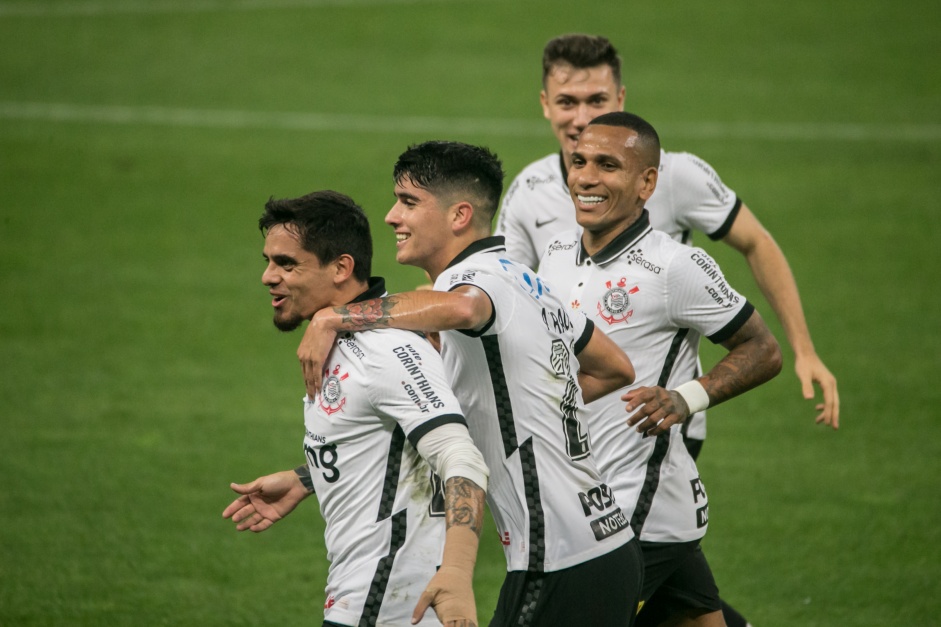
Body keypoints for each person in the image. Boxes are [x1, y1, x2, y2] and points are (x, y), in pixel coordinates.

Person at [296, 141, 645, 626]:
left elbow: (464, 308)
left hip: (557, 556)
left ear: (459, 215)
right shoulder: (528, 281)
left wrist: (337, 315)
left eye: (409, 202)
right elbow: (614, 368)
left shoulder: (476, 280)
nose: (392, 216)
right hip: (603, 542)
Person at [494, 33, 839, 461]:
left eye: (597, 101)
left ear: (621, 97)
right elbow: (506, 294)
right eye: (567, 102)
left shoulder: (676, 177)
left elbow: (756, 243)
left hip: (656, 422)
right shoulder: (529, 189)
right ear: (545, 104)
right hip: (569, 421)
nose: (582, 118)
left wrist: (804, 350)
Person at [538, 111, 782, 626]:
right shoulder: (556, 253)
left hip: (633, 506)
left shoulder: (675, 268)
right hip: (592, 494)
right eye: (579, 161)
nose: (585, 177)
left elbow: (762, 349)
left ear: (647, 182)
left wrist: (686, 397)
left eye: (608, 165)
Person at [221, 190, 490, 627]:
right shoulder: (340, 341)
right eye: (269, 261)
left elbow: (461, 459)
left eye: (288, 264)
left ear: (342, 268)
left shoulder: (384, 352)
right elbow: (394, 442)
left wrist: (456, 572)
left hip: (387, 600)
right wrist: (310, 477)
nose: (268, 277)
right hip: (369, 594)